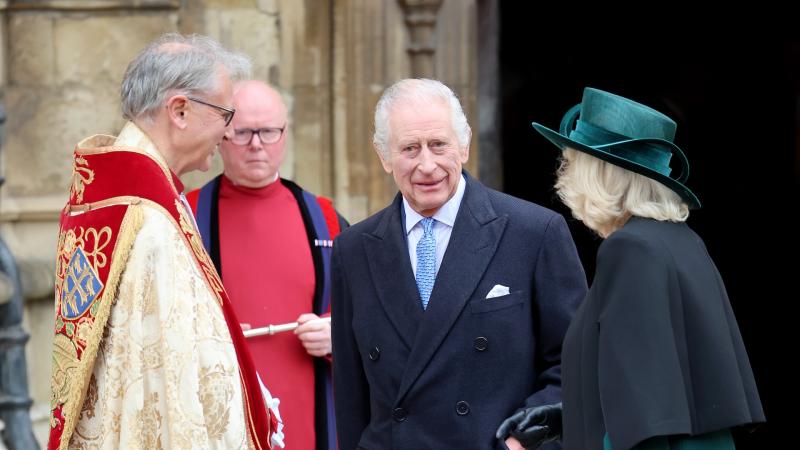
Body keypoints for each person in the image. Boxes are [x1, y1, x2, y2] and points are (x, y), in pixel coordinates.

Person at [49, 33, 281, 450]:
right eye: (226, 115)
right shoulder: (151, 224)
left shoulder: (105, 196)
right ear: (179, 110)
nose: (228, 134)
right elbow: (174, 389)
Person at [330, 78, 587, 450]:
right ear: (383, 155)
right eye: (409, 149)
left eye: (438, 145)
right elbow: (350, 396)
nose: (427, 164)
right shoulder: (352, 249)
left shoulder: (535, 232)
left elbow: (575, 366)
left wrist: (520, 440)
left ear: (464, 145)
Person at [530, 87, 765, 449]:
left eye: (572, 162)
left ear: (600, 176)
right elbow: (659, 386)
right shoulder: (680, 242)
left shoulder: (630, 250)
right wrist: (566, 417)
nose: (565, 174)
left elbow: (645, 423)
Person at [186, 80, 347, 450]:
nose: (257, 144)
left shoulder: (325, 218)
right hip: (219, 418)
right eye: (242, 132)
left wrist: (339, 336)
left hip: (312, 419)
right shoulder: (187, 217)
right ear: (221, 136)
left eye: (269, 131)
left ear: (285, 134)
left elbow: (374, 319)